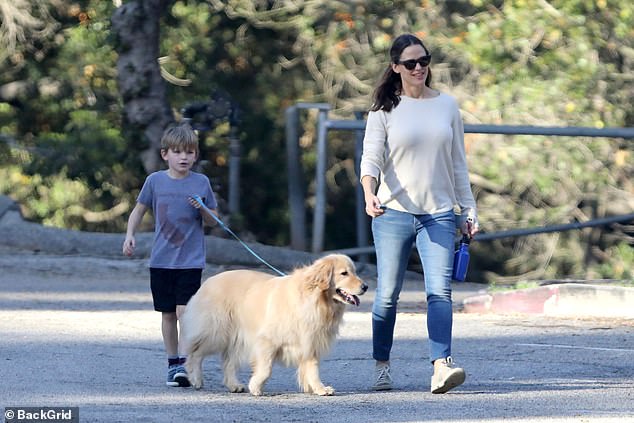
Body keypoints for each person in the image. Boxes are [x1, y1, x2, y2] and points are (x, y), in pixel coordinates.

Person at [360, 33, 479, 394]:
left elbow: (458, 162)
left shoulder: (447, 106)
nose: (418, 68)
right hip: (393, 211)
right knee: (387, 294)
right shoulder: (384, 110)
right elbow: (371, 158)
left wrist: (468, 208)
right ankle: (382, 365)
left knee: (439, 293)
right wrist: (369, 192)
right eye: (410, 63)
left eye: (424, 61)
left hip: (440, 213)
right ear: (395, 67)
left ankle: (441, 366)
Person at [122, 123, 218, 387]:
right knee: (167, 314)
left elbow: (213, 221)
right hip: (161, 260)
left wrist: (202, 209)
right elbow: (138, 211)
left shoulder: (201, 183)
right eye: (177, 152)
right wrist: (130, 235)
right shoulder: (155, 181)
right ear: (165, 154)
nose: (183, 157)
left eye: (189, 152)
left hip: (191, 260)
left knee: (184, 312)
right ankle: (172, 363)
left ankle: (186, 365)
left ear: (196, 155)